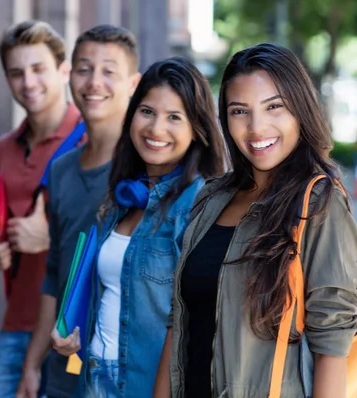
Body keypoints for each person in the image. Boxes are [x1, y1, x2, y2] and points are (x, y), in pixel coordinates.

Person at [154, 43, 357, 397]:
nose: (256, 127)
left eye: (274, 107)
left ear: (300, 109)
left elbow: (333, 338)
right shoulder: (212, 197)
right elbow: (180, 321)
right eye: (239, 111)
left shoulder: (319, 202)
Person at [52, 56, 227, 398]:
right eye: (147, 111)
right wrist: (75, 334)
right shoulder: (121, 198)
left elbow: (201, 321)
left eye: (174, 117)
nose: (156, 129)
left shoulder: (197, 204)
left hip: (146, 387)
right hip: (92, 377)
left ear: (197, 130)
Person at [16, 25, 142, 398]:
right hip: (64, 370)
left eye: (109, 71)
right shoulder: (60, 169)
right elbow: (55, 274)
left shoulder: (147, 172)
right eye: (85, 68)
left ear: (133, 83)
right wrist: (32, 363)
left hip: (123, 374)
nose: (94, 82)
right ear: (70, 75)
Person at [0, 20, 83, 398]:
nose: (28, 82)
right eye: (16, 73)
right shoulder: (5, 147)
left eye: (38, 69)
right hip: (17, 317)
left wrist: (48, 237)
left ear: (63, 70)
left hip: (70, 326)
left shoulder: (91, 139)